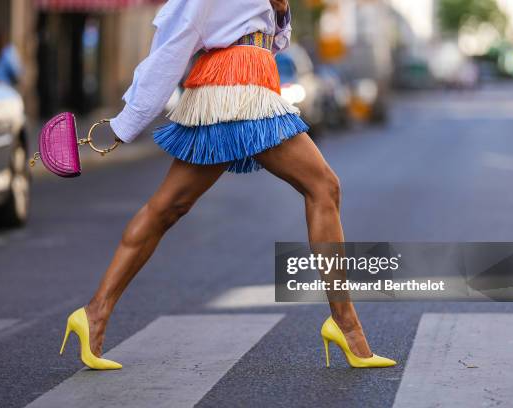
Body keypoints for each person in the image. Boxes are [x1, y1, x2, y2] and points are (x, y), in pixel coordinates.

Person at [59, 0, 396, 370]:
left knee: (166, 209)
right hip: (236, 89)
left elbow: (271, 39)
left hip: (245, 85)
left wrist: (281, 10)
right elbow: (174, 43)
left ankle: (94, 314)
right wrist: (127, 123)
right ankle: (346, 325)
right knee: (323, 188)